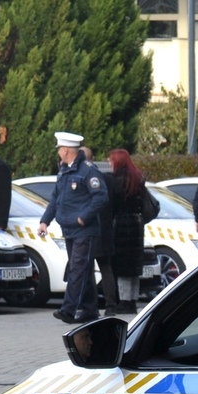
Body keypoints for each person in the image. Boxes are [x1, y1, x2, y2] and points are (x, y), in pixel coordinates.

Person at [38, 131, 108, 323]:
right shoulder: (64, 170)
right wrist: (45, 221)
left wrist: (83, 218)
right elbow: (55, 199)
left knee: (77, 268)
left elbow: (101, 196)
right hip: (69, 229)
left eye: (59, 148)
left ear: (66, 150)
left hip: (84, 230)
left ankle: (69, 309)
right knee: (83, 270)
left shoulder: (88, 171)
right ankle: (89, 310)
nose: (58, 151)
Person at [105, 149, 148, 316]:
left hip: (121, 225)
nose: (109, 163)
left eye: (110, 160)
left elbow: (112, 205)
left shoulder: (115, 180)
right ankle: (132, 301)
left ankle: (123, 301)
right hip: (137, 225)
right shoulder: (137, 178)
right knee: (133, 266)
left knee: (121, 265)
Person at [82, 146, 117, 312]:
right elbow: (117, 204)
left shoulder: (81, 179)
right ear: (93, 158)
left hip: (89, 228)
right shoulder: (109, 180)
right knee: (106, 268)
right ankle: (111, 305)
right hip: (107, 229)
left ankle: (92, 305)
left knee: (88, 270)